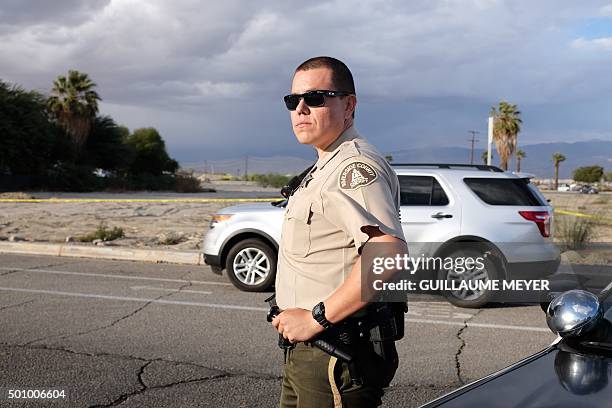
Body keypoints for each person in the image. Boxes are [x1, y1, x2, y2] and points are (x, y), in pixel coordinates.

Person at [270, 56, 408, 408]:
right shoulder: (326, 164)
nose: (300, 108)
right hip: (311, 349)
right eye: (293, 100)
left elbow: (386, 252)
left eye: (316, 97)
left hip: (335, 351)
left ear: (349, 105)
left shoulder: (353, 167)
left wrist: (316, 319)